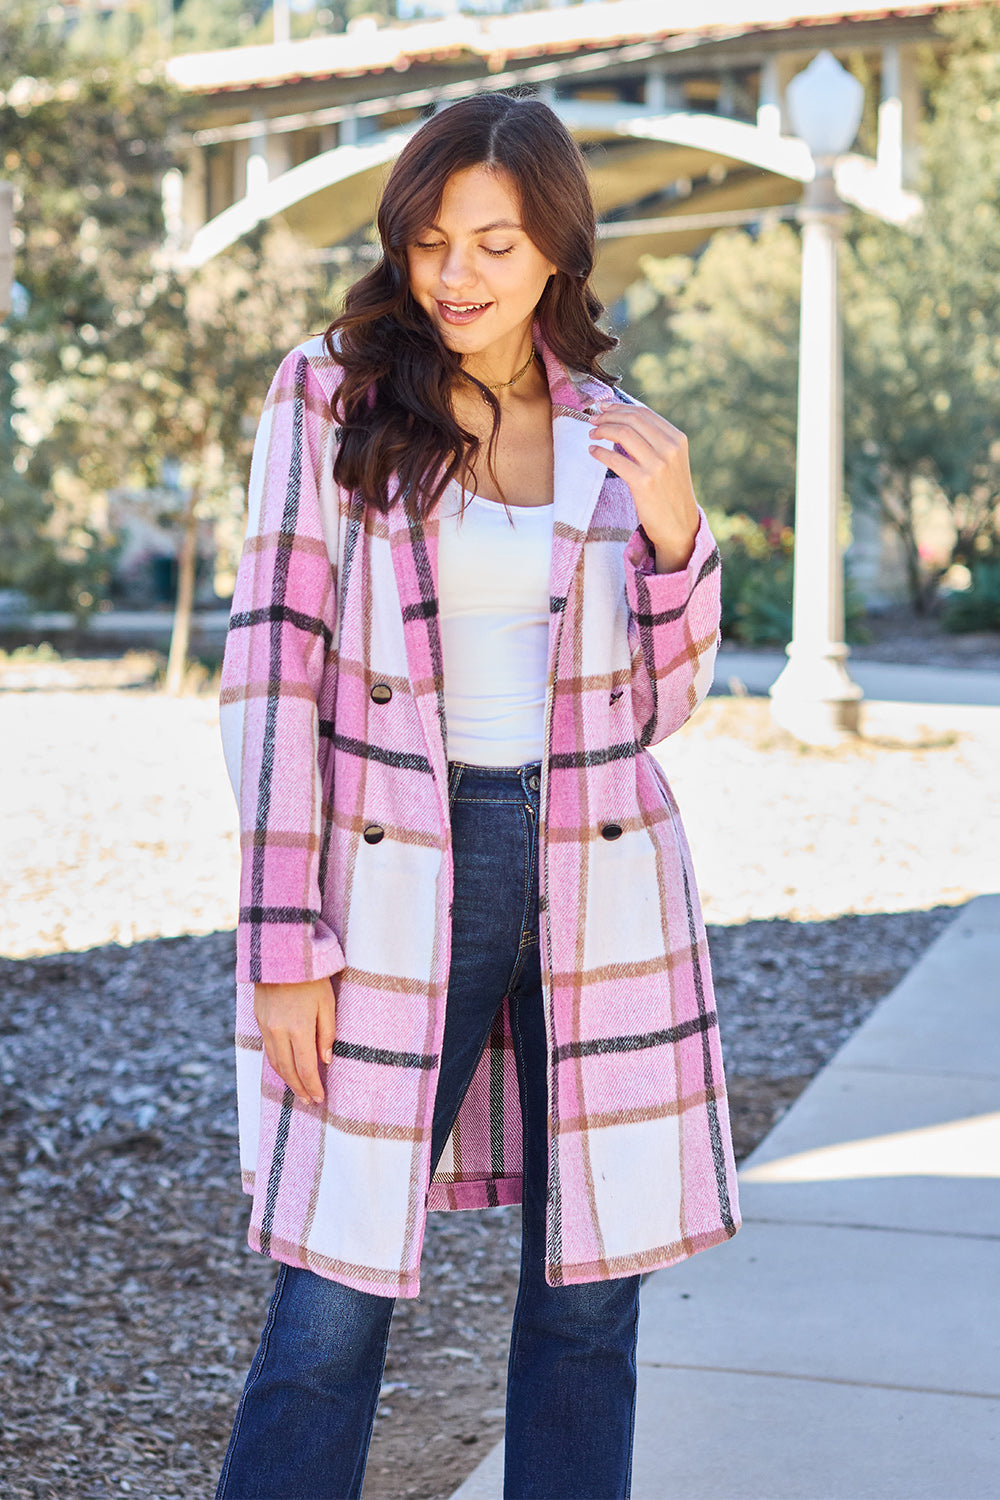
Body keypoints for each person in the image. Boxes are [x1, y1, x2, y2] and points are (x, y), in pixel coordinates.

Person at [215, 91, 740, 1500]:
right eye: (434, 239)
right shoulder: (327, 392)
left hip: (594, 875)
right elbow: (270, 673)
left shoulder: (616, 436)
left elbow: (662, 708)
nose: (458, 274)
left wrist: (684, 535)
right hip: (395, 876)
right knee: (332, 1296)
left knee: (587, 1300)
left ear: (557, 251)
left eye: (496, 243)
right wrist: (282, 944)